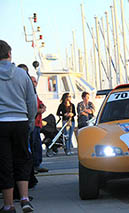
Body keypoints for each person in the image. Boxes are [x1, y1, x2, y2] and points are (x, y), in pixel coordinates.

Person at [0, 40, 37, 212]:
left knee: (4, 163)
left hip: (1, 123)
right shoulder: (23, 75)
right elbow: (32, 102)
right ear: (9, 54)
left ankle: (8, 205)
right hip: (20, 122)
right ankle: (25, 199)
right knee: (22, 159)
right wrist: (29, 121)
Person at [30, 76, 48, 173]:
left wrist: (43, 107)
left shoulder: (35, 94)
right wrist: (38, 111)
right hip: (32, 123)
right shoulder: (29, 93)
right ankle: (34, 166)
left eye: (35, 81)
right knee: (33, 144)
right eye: (33, 81)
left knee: (37, 144)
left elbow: (41, 103)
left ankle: (37, 164)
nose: (35, 83)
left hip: (37, 123)